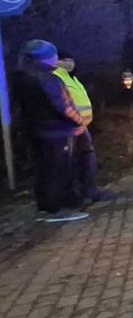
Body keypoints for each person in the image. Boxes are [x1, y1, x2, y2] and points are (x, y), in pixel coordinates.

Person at [12, 40, 88, 222]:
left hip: (36, 130)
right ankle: (58, 209)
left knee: (44, 169)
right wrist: (79, 121)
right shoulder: (47, 78)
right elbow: (62, 106)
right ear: (46, 57)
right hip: (56, 131)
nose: (57, 59)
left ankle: (45, 206)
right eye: (54, 55)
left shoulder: (22, 76)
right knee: (58, 169)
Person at [54, 52, 113, 204]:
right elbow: (61, 105)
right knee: (75, 163)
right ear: (57, 61)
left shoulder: (71, 78)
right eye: (65, 60)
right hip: (69, 128)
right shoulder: (57, 78)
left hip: (81, 127)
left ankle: (89, 193)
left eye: (71, 60)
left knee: (86, 160)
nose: (70, 63)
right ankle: (79, 195)